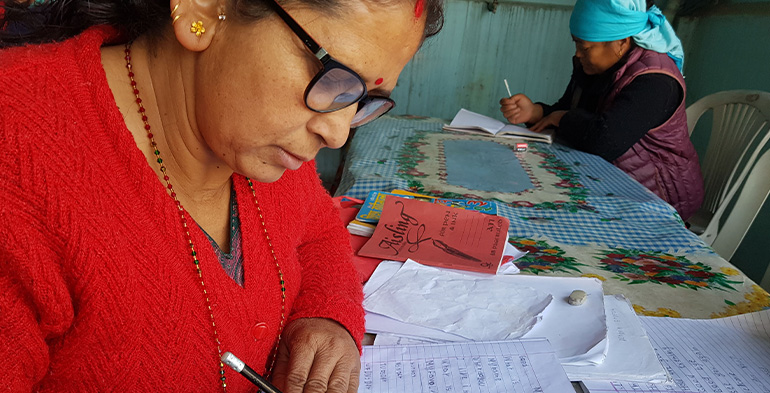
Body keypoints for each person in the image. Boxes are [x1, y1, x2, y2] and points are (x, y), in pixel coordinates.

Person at [0, 0, 443, 391]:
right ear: (202, 10)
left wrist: (325, 318)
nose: (336, 132)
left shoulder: (262, 140)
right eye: (332, 77)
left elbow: (317, 229)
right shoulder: (17, 167)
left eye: (364, 99)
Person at [499, 0, 704, 221]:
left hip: (655, 199)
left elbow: (604, 140)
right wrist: (536, 112)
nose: (577, 54)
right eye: (576, 44)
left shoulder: (655, 80)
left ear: (622, 42)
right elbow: (571, 110)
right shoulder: (594, 66)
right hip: (605, 180)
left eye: (584, 47)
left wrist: (562, 118)